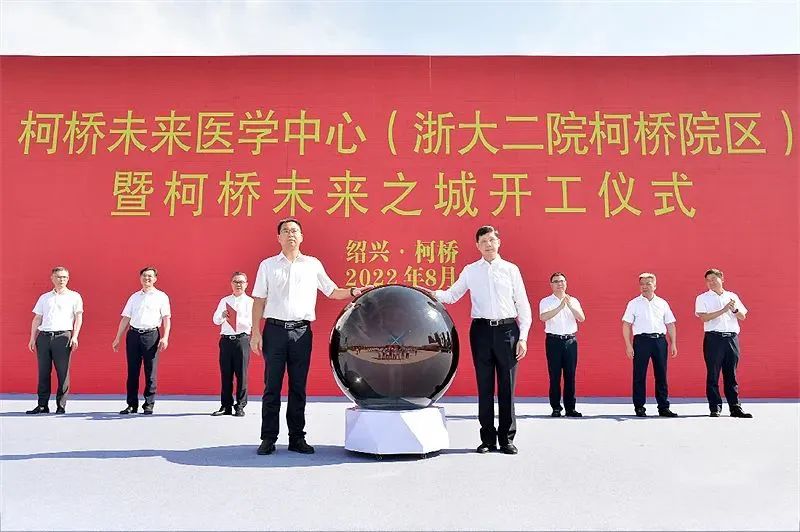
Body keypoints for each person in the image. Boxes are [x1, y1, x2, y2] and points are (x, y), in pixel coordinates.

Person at [250, 218, 370, 456]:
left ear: (302, 237)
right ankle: (268, 438)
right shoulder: (268, 265)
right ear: (278, 238)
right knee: (272, 386)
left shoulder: (312, 265)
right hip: (274, 331)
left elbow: (332, 291)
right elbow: (259, 300)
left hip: (301, 332)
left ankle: (297, 438)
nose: (290, 234)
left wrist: (353, 291)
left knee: (298, 387)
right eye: (285, 231)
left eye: (294, 231)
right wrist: (255, 332)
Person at [430, 225, 532, 455]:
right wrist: (433, 294)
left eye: (491, 240)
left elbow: (523, 304)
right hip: (481, 331)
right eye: (483, 241)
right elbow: (452, 295)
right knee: (484, 386)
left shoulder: (510, 270)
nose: (488, 244)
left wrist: (523, 337)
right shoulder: (471, 271)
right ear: (477, 245)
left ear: (499, 242)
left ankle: (506, 439)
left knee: (507, 387)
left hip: (508, 331)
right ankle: (487, 439)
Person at [112, 266, 171, 415]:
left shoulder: (161, 297)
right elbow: (126, 318)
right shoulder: (134, 297)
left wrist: (165, 337)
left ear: (155, 279)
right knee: (133, 371)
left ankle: (148, 404)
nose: (147, 278)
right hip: (133, 335)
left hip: (151, 335)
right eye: (144, 276)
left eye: (150, 276)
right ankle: (131, 405)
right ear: (140, 278)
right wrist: (118, 337)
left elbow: (166, 318)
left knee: (150, 371)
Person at [695, 268, 753, 418]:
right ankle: (715, 407)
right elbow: (704, 318)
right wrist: (723, 310)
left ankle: (735, 407)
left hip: (731, 338)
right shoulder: (702, 298)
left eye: (714, 279)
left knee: (731, 374)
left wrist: (733, 309)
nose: (711, 282)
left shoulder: (732, 296)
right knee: (713, 374)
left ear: (722, 279)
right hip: (714, 339)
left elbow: (742, 316)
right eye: (708, 280)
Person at [26, 266, 84, 414]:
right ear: (52, 278)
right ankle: (42, 405)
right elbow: (37, 318)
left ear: (68, 279)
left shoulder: (74, 297)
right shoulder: (45, 297)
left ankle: (61, 405)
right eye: (58, 277)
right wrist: (32, 337)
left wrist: (75, 336)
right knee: (43, 372)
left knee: (62, 372)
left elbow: (78, 317)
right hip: (44, 337)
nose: (61, 280)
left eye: (64, 277)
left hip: (63, 337)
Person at [622, 272, 678, 417]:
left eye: (648, 284)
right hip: (641, 341)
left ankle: (663, 407)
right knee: (639, 375)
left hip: (659, 341)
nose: (645, 287)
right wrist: (628, 345)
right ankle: (639, 407)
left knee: (661, 374)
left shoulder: (662, 303)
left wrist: (673, 343)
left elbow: (670, 324)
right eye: (642, 284)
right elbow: (626, 324)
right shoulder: (634, 303)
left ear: (655, 285)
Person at [539, 272, 585, 418]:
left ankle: (570, 408)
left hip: (570, 341)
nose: (560, 284)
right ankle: (556, 408)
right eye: (556, 281)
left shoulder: (573, 300)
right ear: (551, 284)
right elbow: (543, 317)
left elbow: (581, 318)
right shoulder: (546, 301)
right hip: (553, 341)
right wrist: (560, 307)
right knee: (555, 376)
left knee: (570, 376)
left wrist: (569, 305)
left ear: (566, 283)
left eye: (562, 281)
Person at [211, 271, 253, 417]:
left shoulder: (250, 302)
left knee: (242, 374)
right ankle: (226, 405)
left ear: (246, 284)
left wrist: (237, 318)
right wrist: (223, 316)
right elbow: (215, 320)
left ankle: (240, 405)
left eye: (241, 282)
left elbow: (251, 322)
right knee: (226, 374)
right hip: (226, 340)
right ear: (231, 284)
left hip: (242, 340)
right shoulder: (225, 300)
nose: (238, 284)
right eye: (235, 281)